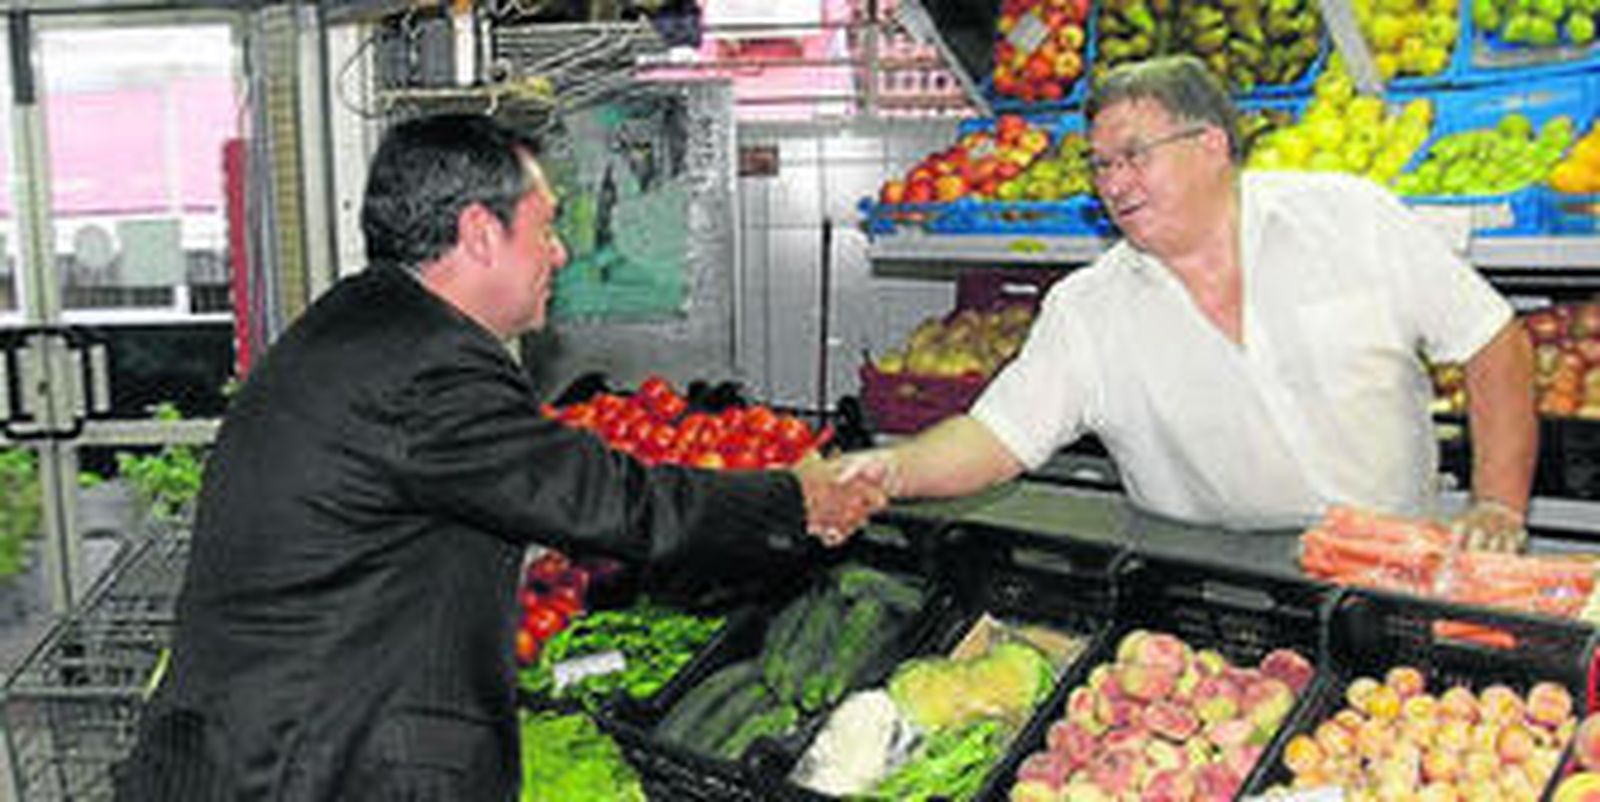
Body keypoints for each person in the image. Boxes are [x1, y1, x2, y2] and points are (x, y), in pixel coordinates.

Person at [114, 113, 885, 801]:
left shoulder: (366, 324)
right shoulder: (426, 361)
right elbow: (610, 501)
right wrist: (794, 498)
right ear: (482, 231)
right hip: (301, 766)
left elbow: (394, 524)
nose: (559, 252)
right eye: (545, 227)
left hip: (261, 748)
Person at [842, 56, 1535, 552]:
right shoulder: (1089, 308)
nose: (1114, 182)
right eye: (1100, 165)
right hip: (1202, 569)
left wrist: (1499, 504)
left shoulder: (1348, 218)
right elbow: (995, 438)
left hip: (1395, 557)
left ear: (1211, 146)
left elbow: (1492, 339)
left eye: (1134, 155)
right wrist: (891, 469)